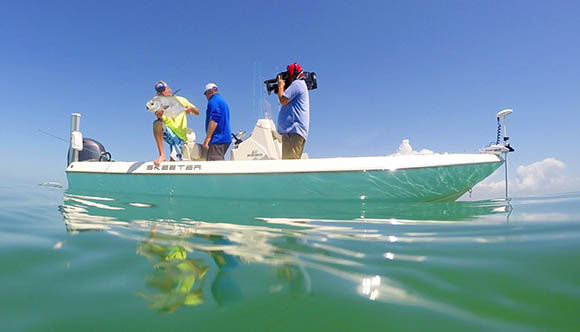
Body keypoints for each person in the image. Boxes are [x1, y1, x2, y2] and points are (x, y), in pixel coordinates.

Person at [152, 81, 199, 166]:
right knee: (157, 123)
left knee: (173, 162)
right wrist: (159, 113)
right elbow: (158, 116)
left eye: (163, 90)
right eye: (159, 91)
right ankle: (162, 155)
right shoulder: (157, 103)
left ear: (168, 90)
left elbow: (197, 112)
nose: (161, 93)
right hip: (169, 132)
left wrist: (190, 109)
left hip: (180, 136)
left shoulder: (182, 100)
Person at [276, 63, 310, 159]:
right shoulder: (300, 85)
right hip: (293, 132)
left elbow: (283, 100)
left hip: (294, 132)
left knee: (289, 166)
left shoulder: (298, 84)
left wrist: (280, 86)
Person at [203, 83, 232, 161]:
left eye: (205, 94)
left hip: (217, 139)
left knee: (213, 166)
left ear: (209, 92)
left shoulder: (213, 101)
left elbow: (214, 119)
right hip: (225, 138)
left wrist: (208, 137)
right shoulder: (222, 102)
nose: (206, 96)